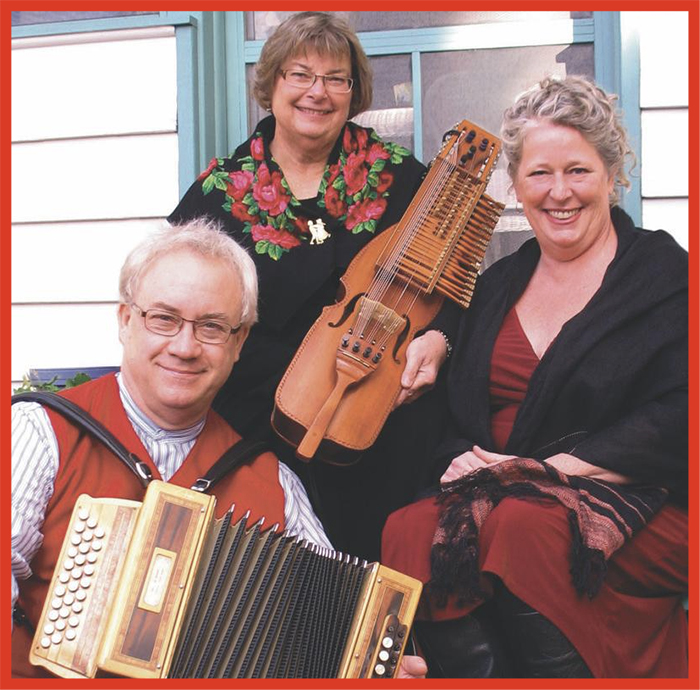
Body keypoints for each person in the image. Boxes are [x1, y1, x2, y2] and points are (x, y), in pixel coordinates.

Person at [11, 218, 427, 680]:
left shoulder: (273, 482)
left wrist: (374, 672)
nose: (185, 347)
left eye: (211, 327)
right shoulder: (39, 433)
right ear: (126, 321)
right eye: (164, 318)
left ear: (239, 342)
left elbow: (333, 631)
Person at [381, 75, 688, 678]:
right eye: (540, 173)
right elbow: (459, 410)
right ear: (517, 186)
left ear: (612, 175)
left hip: (637, 503)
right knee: (410, 528)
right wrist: (465, 459)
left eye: (578, 171)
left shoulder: (664, 276)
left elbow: (680, 415)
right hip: (503, 499)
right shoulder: (497, 286)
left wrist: (542, 473)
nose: (559, 192)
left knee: (522, 527)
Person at [169, 11, 453, 561]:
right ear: (272, 84)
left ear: (353, 91)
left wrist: (440, 341)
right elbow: (177, 290)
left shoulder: (402, 178)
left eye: (335, 79)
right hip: (259, 423)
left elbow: (456, 286)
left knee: (380, 570)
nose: (316, 92)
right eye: (299, 74)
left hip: (379, 416)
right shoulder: (221, 191)